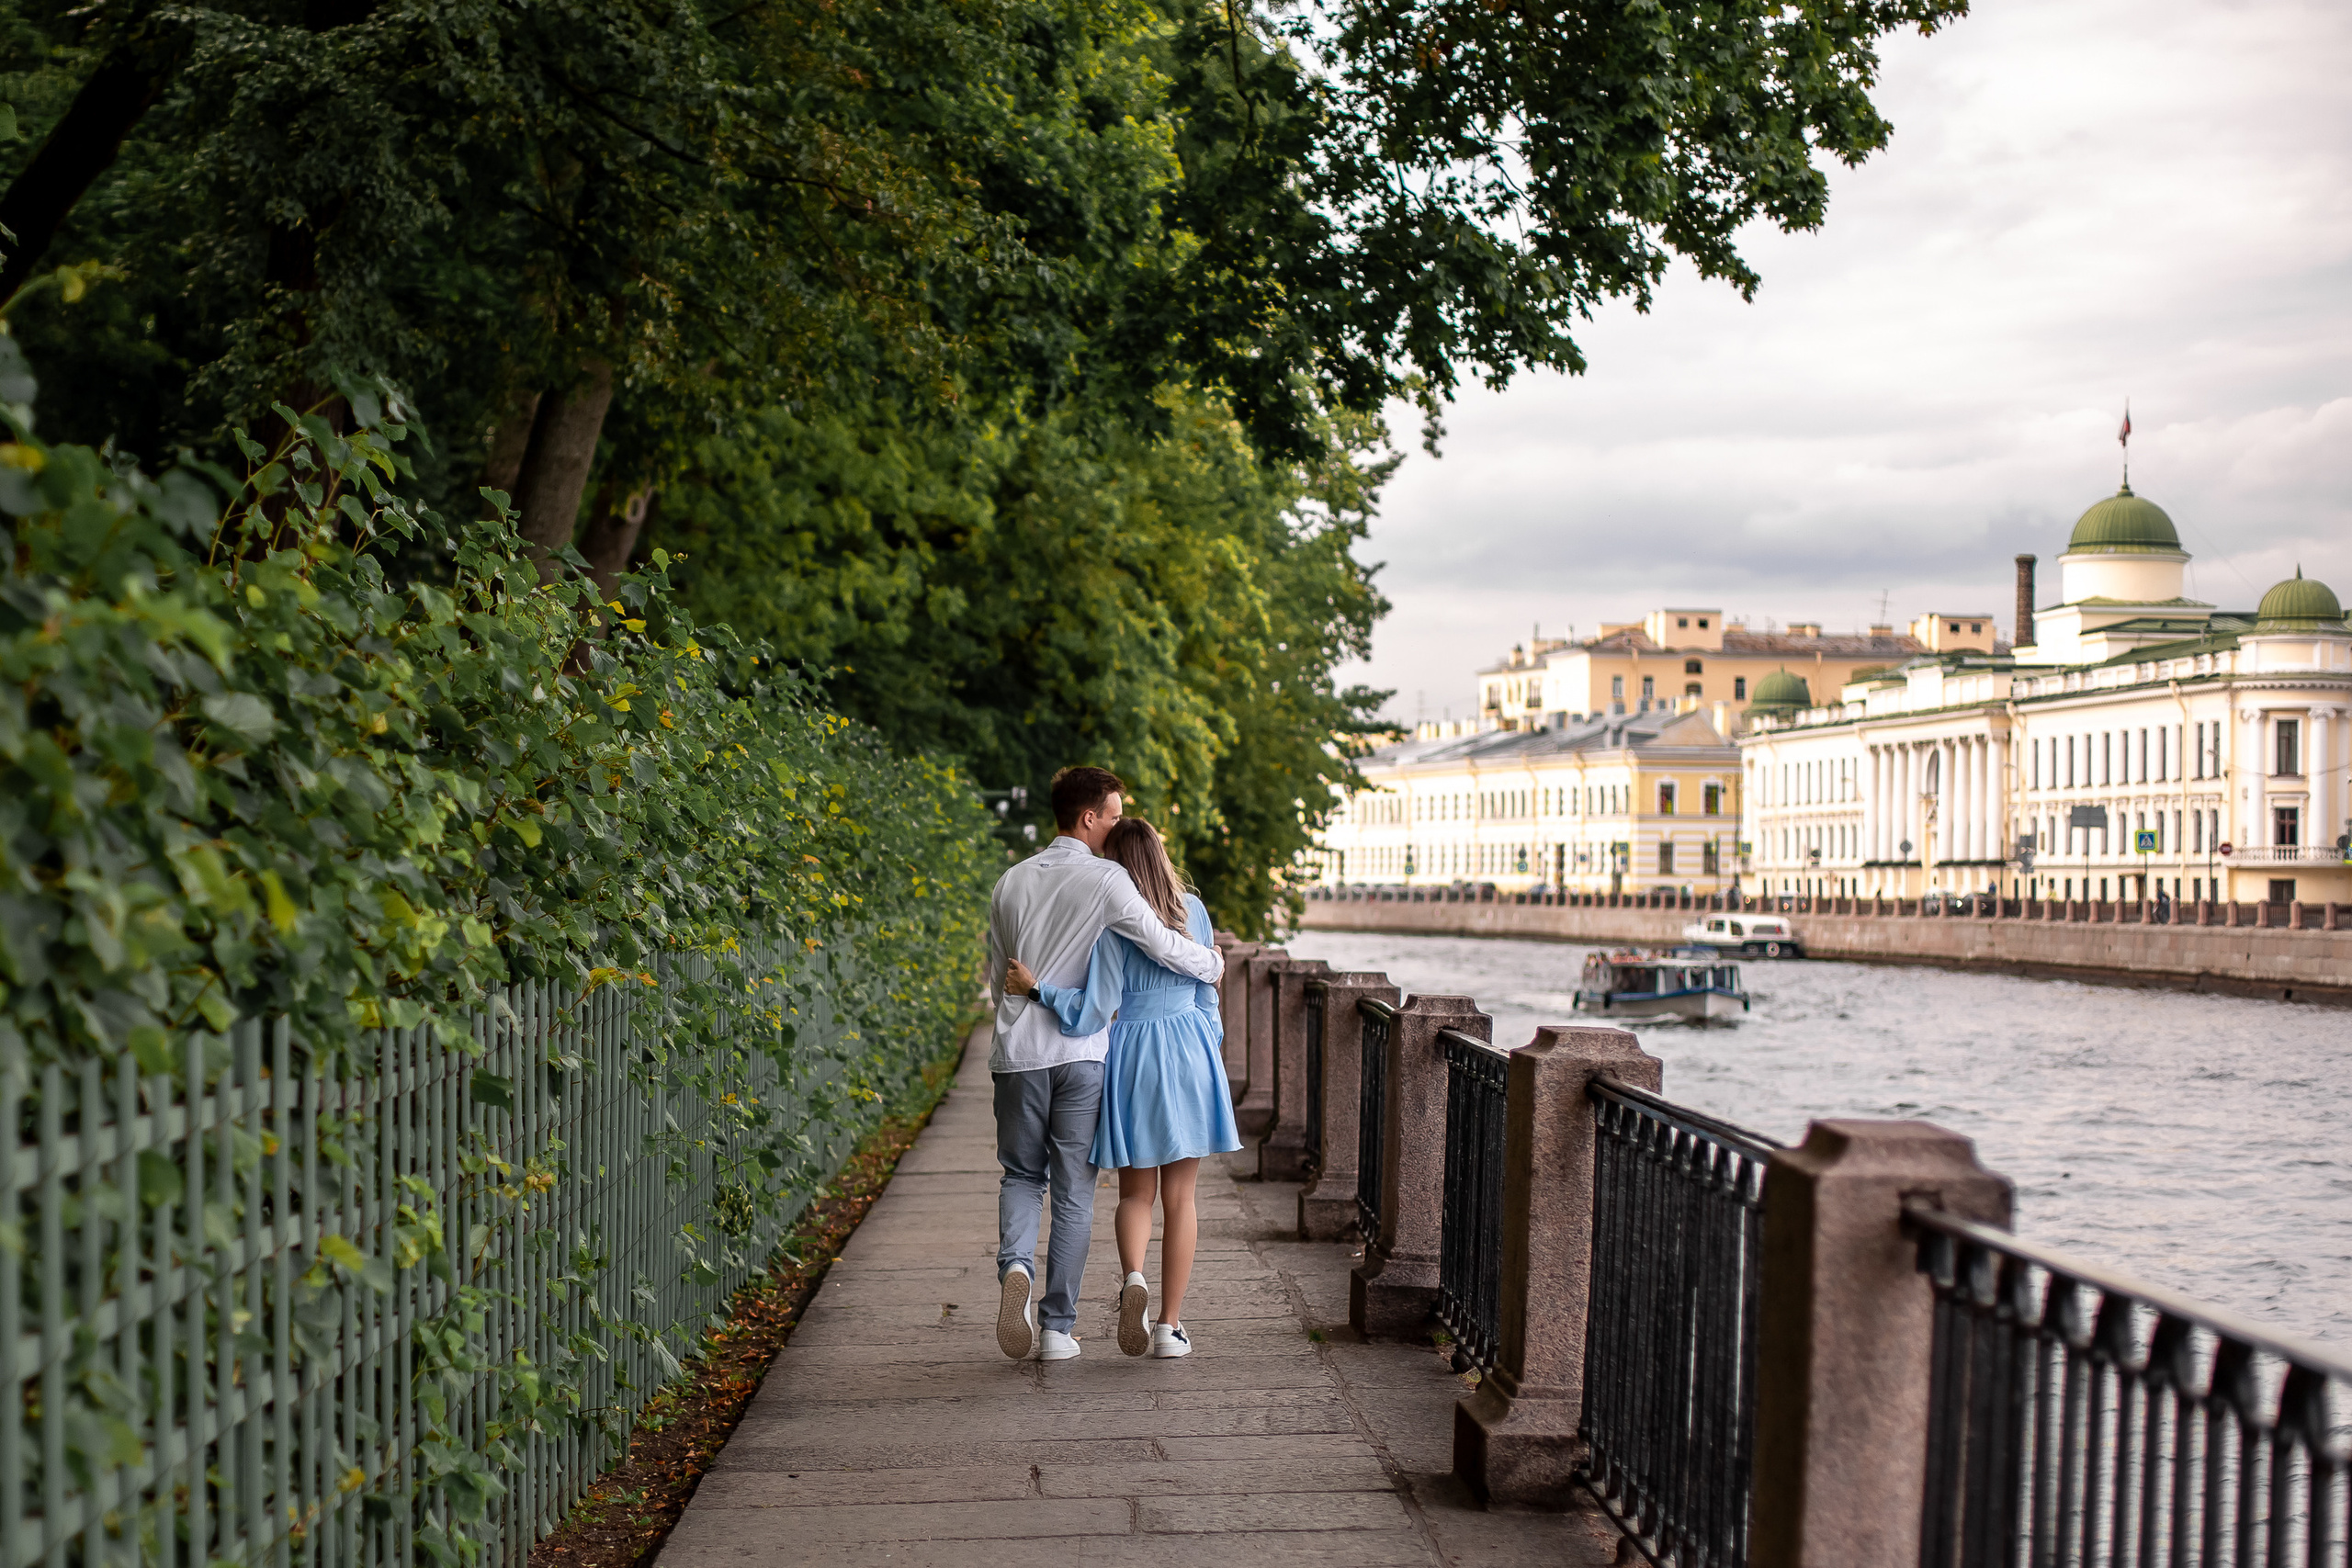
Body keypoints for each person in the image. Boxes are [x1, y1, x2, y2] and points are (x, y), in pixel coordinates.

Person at [985, 766, 1225, 1362]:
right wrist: (1214, 964)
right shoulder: (1113, 882)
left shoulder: (1009, 880)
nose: (1117, 823)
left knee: (1023, 1175)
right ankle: (1062, 1329)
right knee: (1077, 1191)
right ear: (1089, 817)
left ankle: (1018, 1263)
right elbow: (1164, 945)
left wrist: (1029, 999)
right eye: (1114, 813)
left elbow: (1001, 977)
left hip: (1024, 1053)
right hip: (1097, 1056)